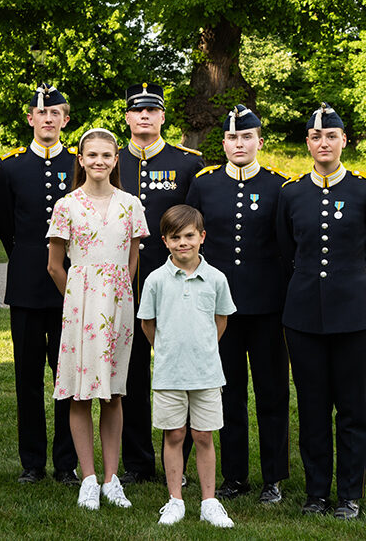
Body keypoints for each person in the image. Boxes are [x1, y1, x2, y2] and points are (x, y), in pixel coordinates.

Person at [276, 103, 366, 519]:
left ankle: (349, 495)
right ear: (307, 142)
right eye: (315, 136)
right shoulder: (291, 193)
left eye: (331, 136)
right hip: (304, 317)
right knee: (311, 407)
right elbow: (285, 252)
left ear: (344, 141)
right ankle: (315, 494)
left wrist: (355, 289)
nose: (323, 143)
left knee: (352, 408)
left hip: (356, 317)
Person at [186, 104, 290, 503]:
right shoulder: (205, 184)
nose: (239, 143)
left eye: (247, 137)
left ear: (259, 141)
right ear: (224, 143)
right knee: (227, 393)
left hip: (268, 308)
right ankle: (234, 476)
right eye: (232, 137)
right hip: (218, 311)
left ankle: (273, 478)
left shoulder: (280, 185)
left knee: (272, 392)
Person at [46, 128, 149, 510]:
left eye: (106, 155)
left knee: (114, 392)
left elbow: (132, 259)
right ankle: (87, 478)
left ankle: (111, 478)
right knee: (80, 392)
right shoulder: (66, 205)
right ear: (81, 159)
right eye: (92, 155)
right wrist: (81, 299)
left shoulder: (130, 204)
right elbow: (55, 266)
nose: (99, 162)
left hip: (119, 308)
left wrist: (117, 294)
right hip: (81, 309)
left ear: (116, 159)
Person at [0, 83, 79, 485]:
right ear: (30, 118)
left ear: (64, 119)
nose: (48, 119)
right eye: (41, 113)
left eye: (55, 113)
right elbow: (6, 227)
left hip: (70, 288)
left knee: (68, 377)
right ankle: (32, 464)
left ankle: (66, 463)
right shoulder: (10, 166)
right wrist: (31, 259)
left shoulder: (79, 163)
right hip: (26, 285)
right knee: (27, 378)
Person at [118, 82, 205, 484]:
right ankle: (137, 462)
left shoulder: (188, 164)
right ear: (127, 118)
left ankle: (182, 463)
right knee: (132, 375)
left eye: (152, 111)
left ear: (163, 116)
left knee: (181, 373)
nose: (145, 117)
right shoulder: (111, 161)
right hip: (124, 284)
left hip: (174, 284)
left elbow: (198, 226)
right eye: (137, 111)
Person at [138, 205, 236, 528]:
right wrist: (167, 350)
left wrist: (201, 349)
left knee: (203, 434)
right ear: (165, 241)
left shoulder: (216, 280)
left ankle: (209, 501)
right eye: (175, 237)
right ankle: (175, 499)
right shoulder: (155, 281)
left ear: (202, 237)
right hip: (169, 373)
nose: (183, 243)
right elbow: (148, 325)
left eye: (189, 236)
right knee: (175, 433)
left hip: (206, 372)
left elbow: (220, 322)